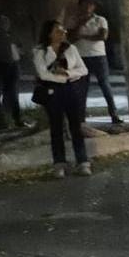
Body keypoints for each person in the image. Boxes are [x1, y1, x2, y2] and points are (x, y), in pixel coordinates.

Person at [32, 20, 90, 177]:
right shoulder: (40, 51)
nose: (63, 33)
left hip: (71, 89)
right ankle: (59, 164)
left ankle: (83, 161)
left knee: (76, 127)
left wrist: (68, 74)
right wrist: (62, 79)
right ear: (50, 33)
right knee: (56, 128)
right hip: (52, 92)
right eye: (58, 30)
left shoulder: (71, 48)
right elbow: (42, 73)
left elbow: (83, 69)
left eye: (63, 30)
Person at [69, 0, 122, 124]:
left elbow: (103, 36)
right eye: (85, 3)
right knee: (82, 88)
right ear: (80, 5)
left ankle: (114, 115)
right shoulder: (74, 20)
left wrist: (83, 36)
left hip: (98, 56)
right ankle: (81, 118)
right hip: (81, 57)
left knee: (105, 85)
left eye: (91, 4)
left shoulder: (100, 20)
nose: (88, 6)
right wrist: (80, 26)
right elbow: (71, 37)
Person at [0, 14, 28, 129]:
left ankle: (17, 120)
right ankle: (1, 122)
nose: (6, 24)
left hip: (12, 66)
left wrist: (18, 53)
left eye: (7, 22)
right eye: (2, 22)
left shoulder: (11, 36)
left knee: (13, 94)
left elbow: (21, 50)